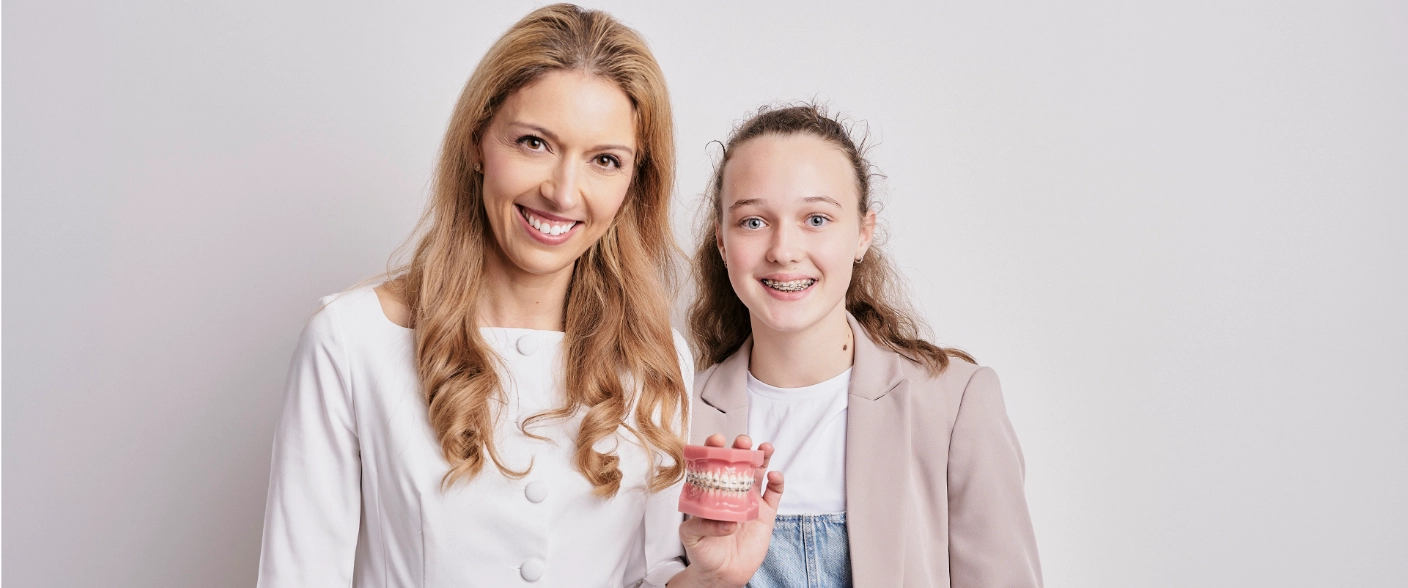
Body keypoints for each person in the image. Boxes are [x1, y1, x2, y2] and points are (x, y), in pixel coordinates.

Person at [257, 5, 780, 587]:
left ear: (634, 182)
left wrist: (714, 578)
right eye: (534, 142)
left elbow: (652, 572)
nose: (562, 192)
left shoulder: (658, 358)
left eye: (605, 160)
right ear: (478, 141)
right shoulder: (351, 342)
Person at [688, 104, 1043, 587]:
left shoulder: (955, 404)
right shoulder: (672, 412)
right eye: (753, 221)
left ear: (862, 234)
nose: (783, 249)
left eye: (816, 219)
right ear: (722, 242)